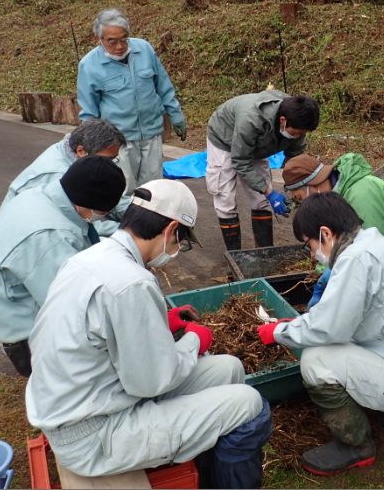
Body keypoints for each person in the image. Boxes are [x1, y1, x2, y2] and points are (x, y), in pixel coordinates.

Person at [26, 179, 272, 488]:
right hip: (97, 434)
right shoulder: (132, 283)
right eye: (181, 242)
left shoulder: (89, 259)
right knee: (250, 403)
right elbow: (153, 381)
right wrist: (194, 339)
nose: (177, 251)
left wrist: (159, 323)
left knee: (229, 367)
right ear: (170, 230)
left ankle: (206, 466)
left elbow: (102, 330)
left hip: (86, 400)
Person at [256, 192, 384, 475]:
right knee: (332, 339)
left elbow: (329, 329)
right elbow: (346, 316)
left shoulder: (356, 260)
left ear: (325, 233)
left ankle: (356, 445)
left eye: (308, 245)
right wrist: (302, 322)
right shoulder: (372, 244)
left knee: (316, 359)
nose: (312, 254)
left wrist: (277, 332)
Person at [0, 155, 126, 377]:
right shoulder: (49, 238)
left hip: (19, 300)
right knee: (101, 366)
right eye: (102, 213)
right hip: (24, 332)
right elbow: (72, 306)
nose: (100, 218)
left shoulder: (44, 195)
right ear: (85, 204)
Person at [282, 153, 384, 304]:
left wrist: (333, 272)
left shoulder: (361, 192)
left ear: (312, 185)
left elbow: (372, 246)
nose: (303, 204)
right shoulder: (340, 192)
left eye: (300, 198)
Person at [77, 8, 187, 194]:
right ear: (98, 39)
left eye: (124, 39)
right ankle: (122, 223)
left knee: (153, 188)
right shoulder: (89, 65)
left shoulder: (144, 49)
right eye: (112, 41)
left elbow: (163, 86)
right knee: (123, 189)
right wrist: (93, 144)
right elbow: (89, 111)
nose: (120, 46)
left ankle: (150, 223)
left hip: (151, 133)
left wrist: (176, 115)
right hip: (118, 141)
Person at [206, 90, 320, 250]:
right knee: (226, 199)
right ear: (283, 121)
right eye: (295, 133)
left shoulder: (298, 119)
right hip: (224, 138)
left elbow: (295, 159)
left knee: (262, 202)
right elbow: (240, 161)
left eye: (301, 134)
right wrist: (270, 193)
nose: (297, 137)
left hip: (258, 143)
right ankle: (235, 257)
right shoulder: (251, 120)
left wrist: (300, 190)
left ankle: (265, 254)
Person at [2, 118, 130, 236]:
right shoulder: (57, 175)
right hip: (30, 236)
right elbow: (79, 223)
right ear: (81, 151)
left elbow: (107, 194)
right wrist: (129, 229)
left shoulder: (70, 149)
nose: (111, 164)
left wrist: (136, 213)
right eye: (108, 158)